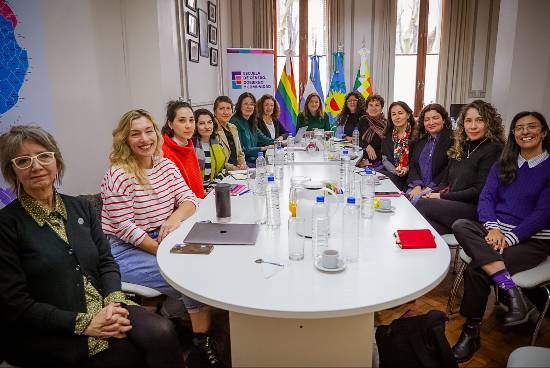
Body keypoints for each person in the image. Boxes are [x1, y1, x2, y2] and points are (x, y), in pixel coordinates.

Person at [0, 125, 183, 368]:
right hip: (51, 325)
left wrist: (114, 304)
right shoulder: (7, 224)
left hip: (103, 304)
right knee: (126, 355)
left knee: (162, 331)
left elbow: (106, 262)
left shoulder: (80, 208)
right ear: (12, 171)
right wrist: (85, 323)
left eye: (44, 156)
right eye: (23, 161)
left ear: (57, 161)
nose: (36, 166)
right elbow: (15, 303)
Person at [100, 109, 222, 367]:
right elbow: (124, 228)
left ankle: (182, 321)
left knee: (211, 262)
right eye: (135, 134)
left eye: (148, 132)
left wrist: (173, 219)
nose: (144, 139)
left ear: (157, 134)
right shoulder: (118, 175)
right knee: (189, 275)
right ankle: (202, 345)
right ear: (124, 139)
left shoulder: (165, 164)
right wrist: (163, 250)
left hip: (165, 235)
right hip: (127, 249)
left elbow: (189, 200)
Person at [450, 111, 550, 363]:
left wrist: (510, 237)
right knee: (461, 224)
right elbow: (486, 199)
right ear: (513, 134)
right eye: (519, 128)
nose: (525, 132)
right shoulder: (504, 163)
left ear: (544, 132)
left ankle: (470, 331)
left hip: (532, 239)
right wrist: (493, 229)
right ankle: (511, 291)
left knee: (476, 269)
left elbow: (543, 214)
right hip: (495, 232)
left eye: (532, 127)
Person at [416, 100, 505, 235]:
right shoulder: (463, 146)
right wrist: (432, 193)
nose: (473, 126)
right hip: (453, 205)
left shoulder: (494, 149)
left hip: (474, 208)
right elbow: (445, 180)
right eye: (468, 121)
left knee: (422, 204)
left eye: (479, 120)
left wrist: (442, 196)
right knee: (426, 228)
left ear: (490, 123)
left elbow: (478, 191)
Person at [407, 103, 454, 203]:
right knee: (403, 202)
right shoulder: (420, 141)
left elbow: (449, 168)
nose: (431, 122)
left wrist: (430, 187)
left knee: (416, 204)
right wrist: (417, 185)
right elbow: (412, 165)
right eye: (427, 119)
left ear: (444, 119)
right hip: (417, 187)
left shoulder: (453, 140)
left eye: (435, 118)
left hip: (439, 189)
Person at [161, 100, 205, 199]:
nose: (188, 125)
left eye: (191, 120)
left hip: (197, 204)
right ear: (170, 124)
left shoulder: (188, 144)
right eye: (182, 120)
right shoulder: (164, 152)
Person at [378, 101, 416, 191]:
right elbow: (384, 158)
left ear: (408, 115)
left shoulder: (417, 134)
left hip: (411, 175)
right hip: (391, 172)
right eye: (393, 114)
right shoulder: (387, 134)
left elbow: (417, 161)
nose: (397, 117)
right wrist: (395, 170)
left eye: (400, 113)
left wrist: (406, 169)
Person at [230, 92, 274, 167]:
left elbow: (265, 139)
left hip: (254, 160)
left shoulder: (251, 121)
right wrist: (263, 148)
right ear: (240, 106)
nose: (249, 106)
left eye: (251, 104)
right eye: (245, 104)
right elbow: (243, 150)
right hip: (243, 163)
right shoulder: (235, 122)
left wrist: (280, 142)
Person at [192, 108, 227, 193]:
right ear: (195, 126)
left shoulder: (217, 143)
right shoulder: (191, 146)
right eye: (201, 123)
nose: (207, 127)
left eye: (209, 122)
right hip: (195, 193)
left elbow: (222, 170)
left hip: (212, 190)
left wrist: (212, 187)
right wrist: (202, 191)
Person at [213, 96, 247, 171]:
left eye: (228, 108)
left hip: (237, 171)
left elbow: (240, 153)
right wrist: (235, 169)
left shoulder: (233, 127)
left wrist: (243, 165)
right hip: (223, 172)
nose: (226, 112)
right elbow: (218, 160)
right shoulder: (213, 130)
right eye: (221, 109)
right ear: (215, 112)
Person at [357, 94, 387, 168]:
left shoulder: (387, 125)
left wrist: (369, 161)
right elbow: (357, 139)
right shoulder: (363, 120)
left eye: (377, 105)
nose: (373, 108)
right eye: (371, 105)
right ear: (367, 108)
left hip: (379, 161)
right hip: (360, 158)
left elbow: (386, 150)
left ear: (381, 108)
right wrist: (367, 146)